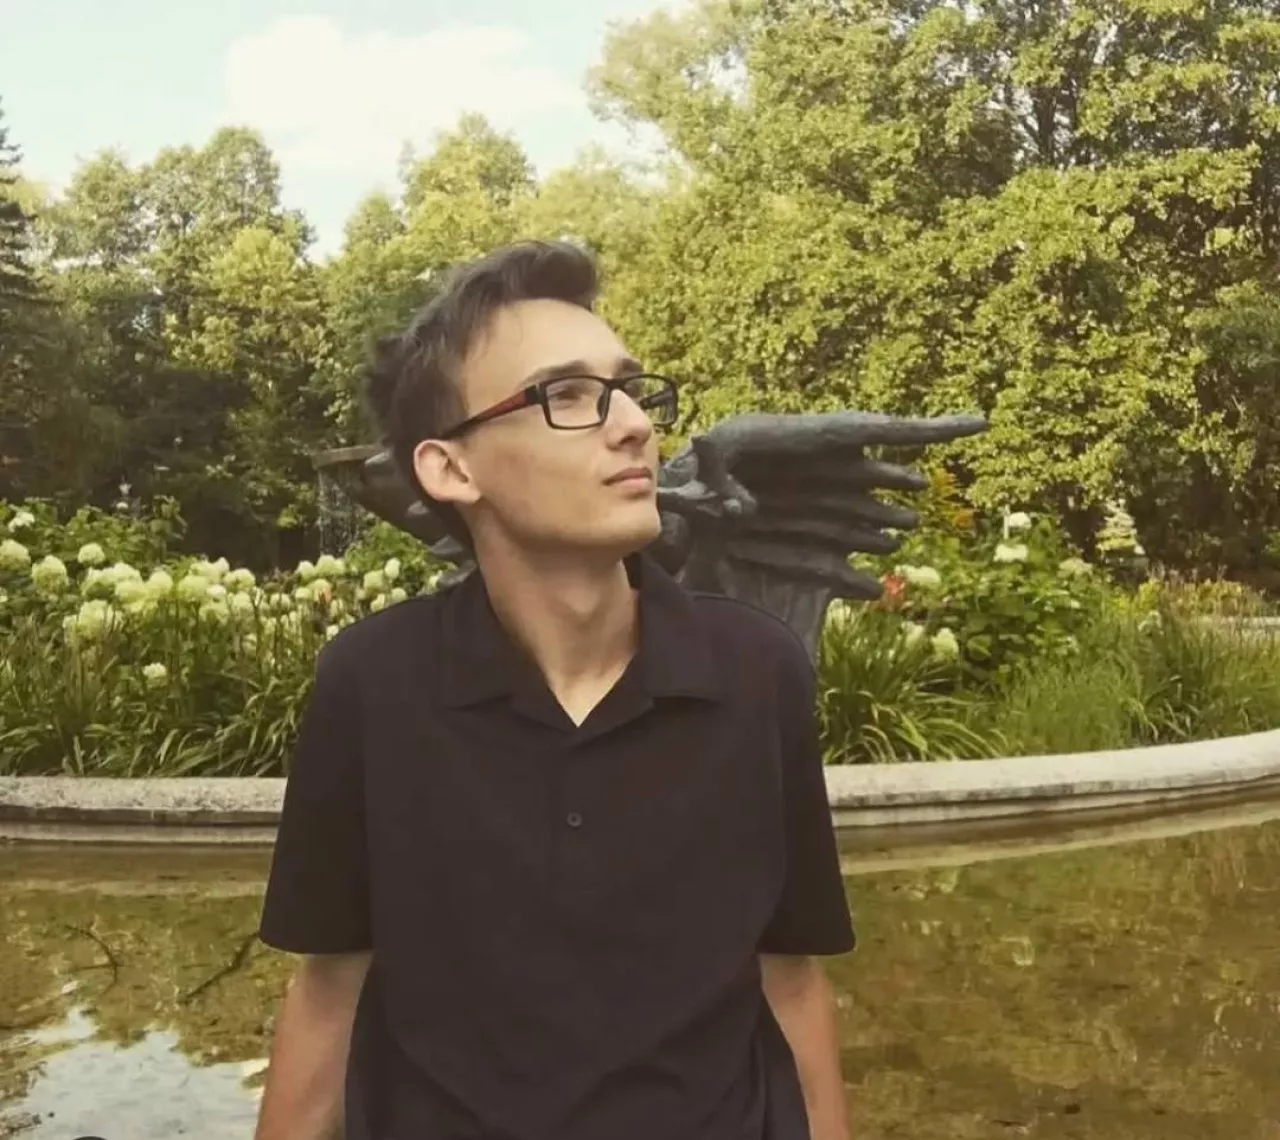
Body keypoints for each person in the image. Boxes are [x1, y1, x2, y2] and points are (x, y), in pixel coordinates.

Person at [253, 239, 855, 1140]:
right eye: (566, 395)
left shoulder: (756, 672)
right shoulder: (372, 685)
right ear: (450, 468)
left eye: (629, 389)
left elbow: (792, 980)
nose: (634, 425)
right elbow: (330, 991)